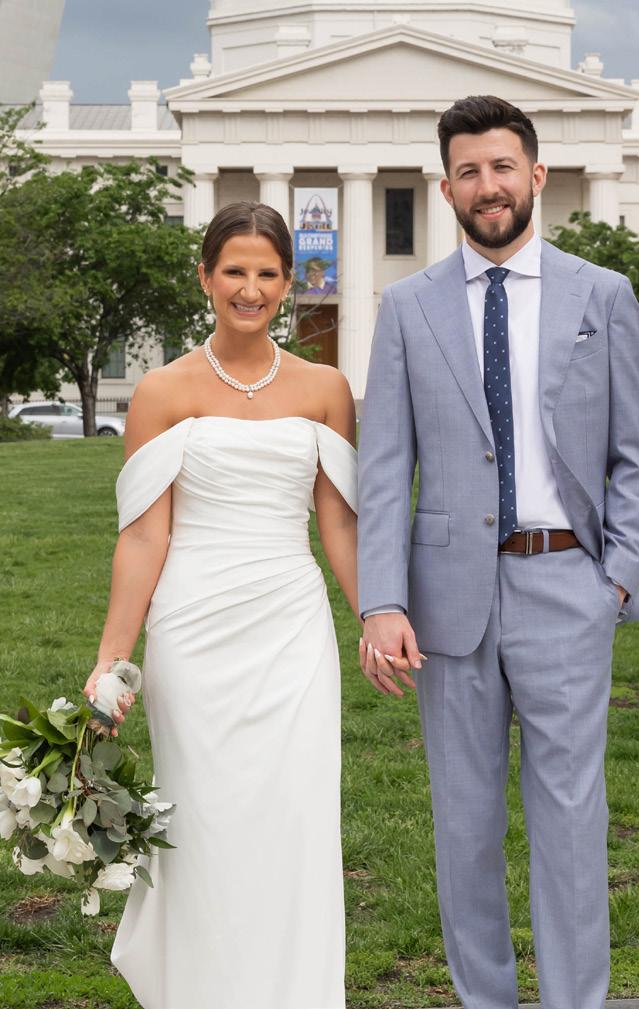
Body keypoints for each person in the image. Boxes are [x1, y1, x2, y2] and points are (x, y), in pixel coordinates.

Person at [357, 95, 639, 1009]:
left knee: (571, 822)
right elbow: (385, 467)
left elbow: (634, 458)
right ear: (446, 186)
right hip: (446, 601)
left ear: (536, 173)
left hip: (569, 585)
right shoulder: (406, 307)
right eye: (468, 171)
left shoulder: (601, 295)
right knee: (465, 824)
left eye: (501, 167)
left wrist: (615, 579)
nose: (487, 186)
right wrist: (382, 599)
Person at [83, 201, 358, 1009]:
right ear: (206, 277)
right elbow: (144, 537)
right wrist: (111, 661)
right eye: (234, 270)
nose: (250, 288)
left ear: (289, 283)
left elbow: (340, 523)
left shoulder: (327, 388)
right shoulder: (162, 390)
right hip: (193, 630)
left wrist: (376, 616)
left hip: (292, 628)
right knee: (202, 823)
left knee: (296, 818)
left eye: (267, 273)